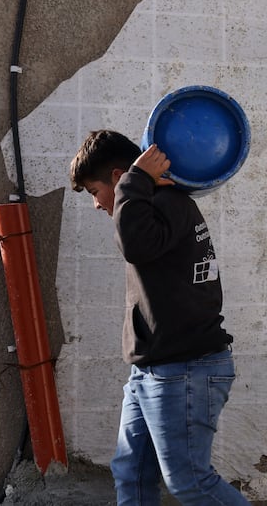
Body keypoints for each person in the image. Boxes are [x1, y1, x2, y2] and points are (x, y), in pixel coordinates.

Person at [69, 129, 249, 505]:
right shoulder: (153, 204)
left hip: (183, 371)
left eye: (94, 192)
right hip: (152, 371)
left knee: (191, 484)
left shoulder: (164, 202)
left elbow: (134, 245)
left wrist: (133, 183)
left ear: (118, 178)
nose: (97, 205)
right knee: (131, 475)